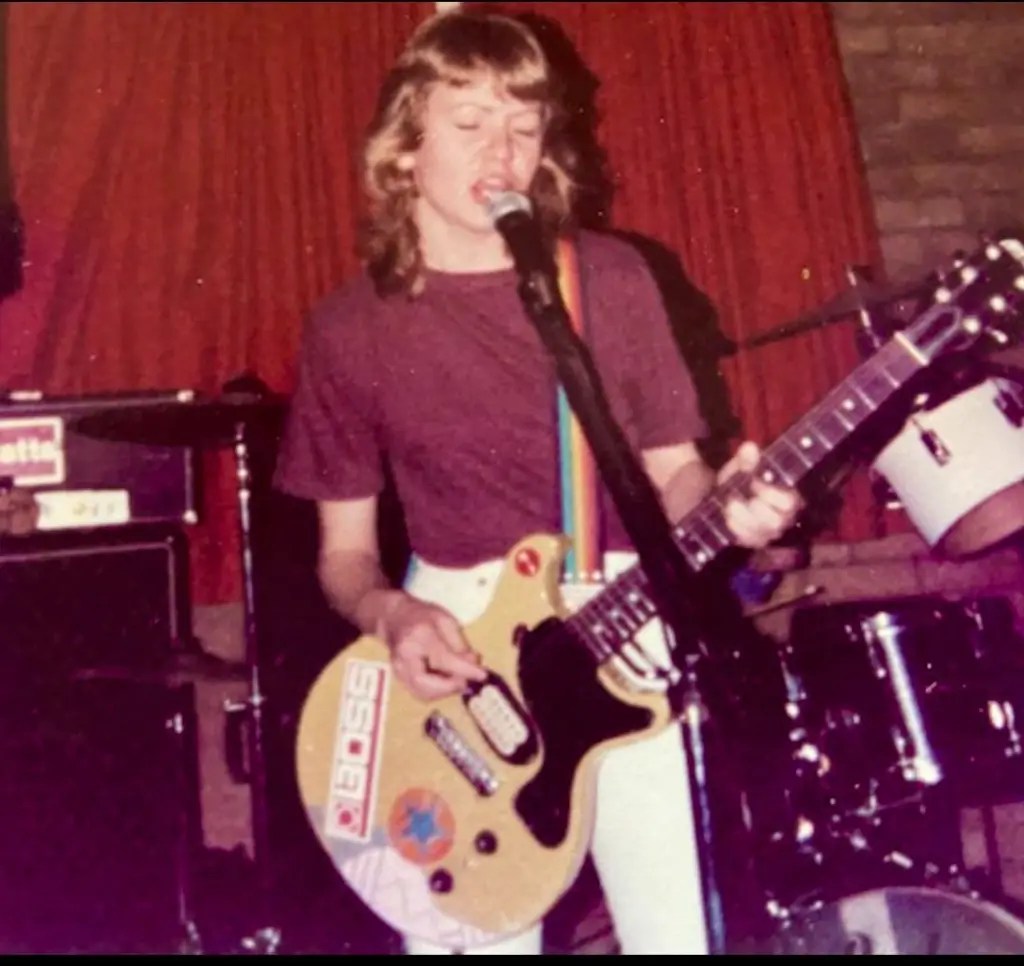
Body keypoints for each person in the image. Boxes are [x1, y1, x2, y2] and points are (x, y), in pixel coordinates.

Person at [273, 6, 803, 956]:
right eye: (471, 122)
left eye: (523, 126)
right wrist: (394, 618)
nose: (503, 152)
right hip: (457, 661)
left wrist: (734, 512)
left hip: (628, 632)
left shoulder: (609, 280)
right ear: (405, 149)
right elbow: (344, 558)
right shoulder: (348, 330)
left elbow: (678, 478)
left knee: (681, 937)